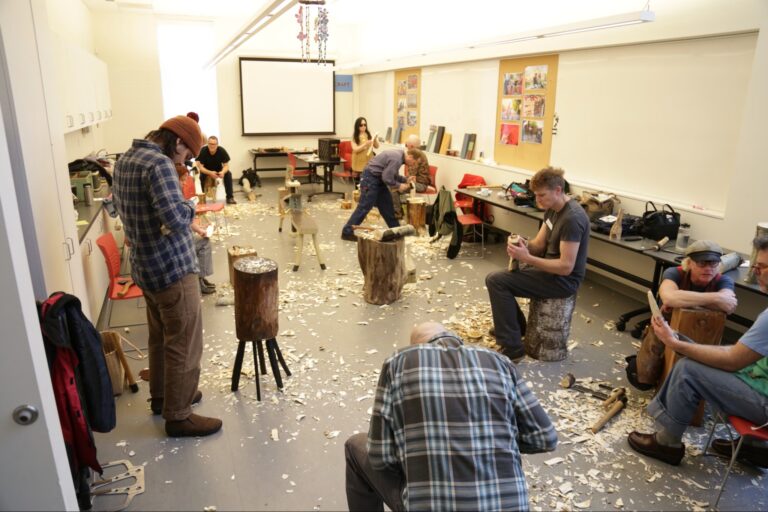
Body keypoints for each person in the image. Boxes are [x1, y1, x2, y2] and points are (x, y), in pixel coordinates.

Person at [344, 322, 557, 511]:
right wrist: (497, 439)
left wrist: (417, 452)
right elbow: (545, 438)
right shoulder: (500, 362)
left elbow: (380, 458)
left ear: (417, 346)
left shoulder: (398, 363)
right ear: (458, 339)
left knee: (355, 446)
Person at [112, 115, 222, 438]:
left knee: (160, 336)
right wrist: (189, 206)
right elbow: (175, 219)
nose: (186, 161)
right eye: (187, 155)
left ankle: (163, 396)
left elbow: (120, 209)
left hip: (144, 267)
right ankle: (179, 413)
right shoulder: (159, 165)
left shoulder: (126, 159)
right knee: (185, 341)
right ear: (177, 142)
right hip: (172, 268)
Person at [628, 236, 768, 467]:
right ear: (688, 263)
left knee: (687, 370)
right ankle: (756, 448)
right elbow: (670, 296)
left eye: (762, 267)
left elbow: (734, 360)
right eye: (756, 266)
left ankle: (667, 444)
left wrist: (677, 345)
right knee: (692, 357)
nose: (756, 272)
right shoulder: (676, 273)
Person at [485, 167, 590, 361]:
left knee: (496, 281)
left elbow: (566, 267)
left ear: (558, 190)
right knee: (500, 278)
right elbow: (539, 245)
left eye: (542, 195)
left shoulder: (572, 219)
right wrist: (523, 244)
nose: (538, 200)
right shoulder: (552, 210)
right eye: (536, 195)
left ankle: (512, 347)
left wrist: (526, 258)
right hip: (549, 270)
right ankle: (516, 329)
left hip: (563, 281)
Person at [340, 149, 418, 242]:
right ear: (410, 156)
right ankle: (347, 232)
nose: (413, 165)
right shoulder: (397, 159)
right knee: (364, 207)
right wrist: (399, 186)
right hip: (371, 179)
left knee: (387, 207)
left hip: (377, 179)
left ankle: (396, 231)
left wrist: (406, 179)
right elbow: (387, 177)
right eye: (414, 162)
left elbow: (392, 174)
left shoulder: (398, 156)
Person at [658, 240, 737, 315]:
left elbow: (729, 306)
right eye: (701, 263)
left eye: (713, 263)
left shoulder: (724, 280)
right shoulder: (675, 273)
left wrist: (680, 301)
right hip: (668, 325)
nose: (708, 268)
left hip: (705, 327)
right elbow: (669, 298)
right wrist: (718, 298)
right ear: (689, 263)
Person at [175, 162, 216, 295]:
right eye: (181, 180)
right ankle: (200, 279)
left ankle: (201, 277)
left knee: (204, 240)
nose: (184, 183)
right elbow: (181, 220)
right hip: (176, 241)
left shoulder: (176, 193)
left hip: (180, 235)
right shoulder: (173, 196)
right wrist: (197, 230)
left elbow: (185, 219)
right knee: (203, 243)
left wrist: (198, 228)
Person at [390, 135, 431, 219]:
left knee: (394, 188)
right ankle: (399, 210)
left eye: (406, 145)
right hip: (416, 181)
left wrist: (400, 183)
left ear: (411, 146)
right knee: (395, 185)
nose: (406, 148)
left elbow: (411, 177)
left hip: (420, 184)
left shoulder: (416, 156)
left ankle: (397, 214)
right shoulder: (418, 153)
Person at [196, 135, 235, 204]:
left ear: (217, 145)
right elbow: (200, 167)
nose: (212, 146)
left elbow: (226, 166)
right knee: (201, 176)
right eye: (210, 144)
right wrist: (210, 173)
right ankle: (202, 198)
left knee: (228, 174)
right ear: (207, 144)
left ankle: (230, 197)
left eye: (214, 144)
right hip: (206, 170)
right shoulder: (203, 150)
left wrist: (222, 172)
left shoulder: (222, 150)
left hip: (218, 170)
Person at [350, 116, 379, 181]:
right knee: (358, 184)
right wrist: (365, 144)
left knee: (368, 182)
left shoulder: (368, 134)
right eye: (361, 125)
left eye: (365, 125)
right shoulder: (354, 136)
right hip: (358, 163)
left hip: (368, 162)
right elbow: (355, 149)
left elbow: (377, 146)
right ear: (357, 126)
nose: (363, 126)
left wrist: (375, 139)